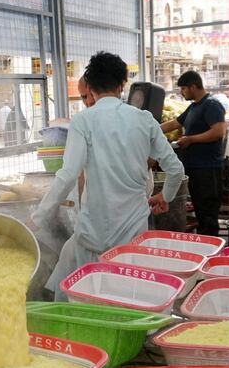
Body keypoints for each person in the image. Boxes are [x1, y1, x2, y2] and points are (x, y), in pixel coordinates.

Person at [32, 52, 185, 300]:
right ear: (123, 84)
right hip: (132, 235)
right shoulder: (144, 120)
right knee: (127, 297)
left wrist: (39, 216)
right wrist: (164, 196)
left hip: (93, 233)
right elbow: (176, 169)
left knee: (87, 296)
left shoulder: (83, 121)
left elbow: (68, 174)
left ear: (90, 88)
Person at [160, 70, 226, 236]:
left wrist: (191, 139)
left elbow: (218, 131)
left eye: (183, 89)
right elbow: (175, 123)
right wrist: (150, 130)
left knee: (208, 215)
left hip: (208, 169)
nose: (181, 93)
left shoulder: (211, 104)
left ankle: (212, 249)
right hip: (195, 168)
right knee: (200, 211)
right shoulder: (194, 107)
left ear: (193, 86)